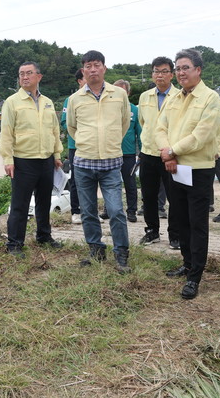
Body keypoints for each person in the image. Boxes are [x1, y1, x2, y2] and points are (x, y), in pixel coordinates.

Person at [156, 49, 220, 300]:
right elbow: (159, 128)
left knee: (197, 224)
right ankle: (187, 263)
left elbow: (201, 135)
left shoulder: (210, 98)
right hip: (174, 167)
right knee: (180, 219)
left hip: (198, 169)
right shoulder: (174, 97)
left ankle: (195, 276)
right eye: (178, 68)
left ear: (198, 70)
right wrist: (169, 154)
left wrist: (173, 151)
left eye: (186, 67)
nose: (181, 73)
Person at [66, 50, 132, 273]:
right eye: (88, 66)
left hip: (111, 163)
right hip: (83, 163)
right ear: (83, 70)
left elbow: (124, 123)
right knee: (88, 211)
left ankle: (121, 253)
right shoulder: (75, 99)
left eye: (97, 65)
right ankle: (96, 249)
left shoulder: (119, 94)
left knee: (116, 210)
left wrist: (110, 142)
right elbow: (72, 127)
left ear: (104, 68)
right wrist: (87, 142)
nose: (93, 69)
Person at [0, 62, 64, 257]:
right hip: (23, 160)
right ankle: (14, 244)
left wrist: (57, 155)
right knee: (20, 204)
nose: (25, 77)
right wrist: (8, 159)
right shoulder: (12, 102)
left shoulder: (48, 102)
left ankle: (44, 236)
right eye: (21, 74)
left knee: (44, 201)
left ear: (39, 76)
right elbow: (6, 132)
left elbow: (54, 130)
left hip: (46, 160)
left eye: (29, 73)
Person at [137, 57, 180, 247]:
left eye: (164, 71)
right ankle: (152, 231)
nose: (159, 75)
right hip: (148, 153)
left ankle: (175, 235)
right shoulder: (145, 97)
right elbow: (143, 122)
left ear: (172, 74)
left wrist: (172, 151)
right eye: (156, 71)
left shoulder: (180, 96)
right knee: (148, 196)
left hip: (171, 154)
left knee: (174, 197)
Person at [110, 79, 141, 222]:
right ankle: (109, 209)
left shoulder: (134, 110)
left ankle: (131, 210)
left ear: (128, 93)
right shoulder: (107, 108)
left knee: (130, 183)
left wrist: (141, 152)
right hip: (110, 152)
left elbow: (139, 132)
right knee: (110, 183)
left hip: (128, 153)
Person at [61, 69, 86, 224]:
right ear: (79, 81)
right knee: (76, 179)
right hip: (75, 146)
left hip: (92, 147)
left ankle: (90, 211)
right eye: (85, 78)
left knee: (93, 180)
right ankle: (76, 211)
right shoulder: (70, 100)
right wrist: (80, 132)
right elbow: (65, 122)